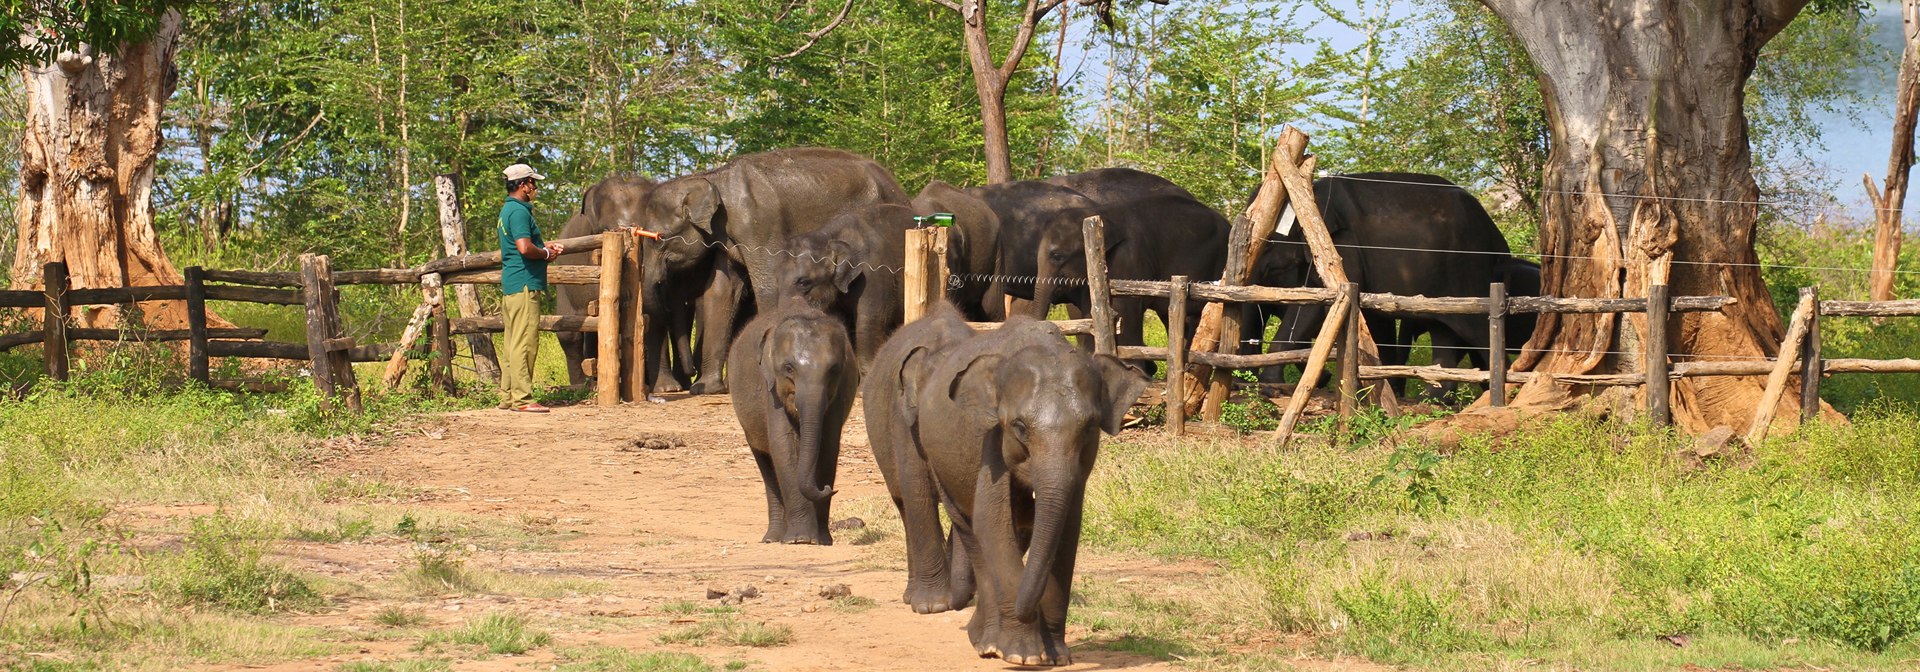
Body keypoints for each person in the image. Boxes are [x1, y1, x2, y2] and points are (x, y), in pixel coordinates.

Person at [497, 163, 565, 412]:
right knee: (526, 342)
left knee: (513, 343)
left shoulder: (508, 210)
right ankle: (523, 399)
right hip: (525, 284)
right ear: (524, 185)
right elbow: (525, 248)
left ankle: (509, 397)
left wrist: (545, 247)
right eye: (533, 183)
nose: (536, 188)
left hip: (513, 284)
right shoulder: (519, 212)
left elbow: (523, 245)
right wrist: (546, 253)